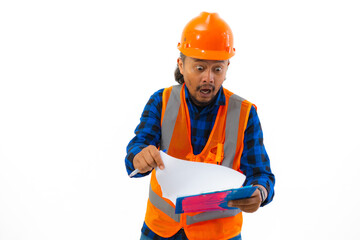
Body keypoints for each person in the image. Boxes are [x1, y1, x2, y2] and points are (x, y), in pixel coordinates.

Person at [125, 12, 275, 240]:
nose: (209, 78)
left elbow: (261, 174)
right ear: (181, 65)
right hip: (161, 232)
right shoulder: (161, 102)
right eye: (199, 68)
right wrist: (139, 157)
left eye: (217, 69)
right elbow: (136, 150)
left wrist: (260, 193)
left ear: (227, 68)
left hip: (219, 235)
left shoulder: (245, 114)